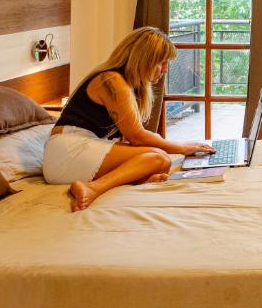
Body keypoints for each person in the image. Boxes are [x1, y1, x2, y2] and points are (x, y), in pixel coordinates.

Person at [42, 26, 215, 211]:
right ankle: (93, 188)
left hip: (81, 147)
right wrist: (182, 148)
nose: (164, 69)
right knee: (160, 159)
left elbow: (132, 138)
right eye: (161, 62)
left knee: (158, 160)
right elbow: (137, 136)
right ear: (144, 60)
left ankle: (135, 180)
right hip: (67, 151)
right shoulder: (111, 81)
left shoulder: (125, 83)